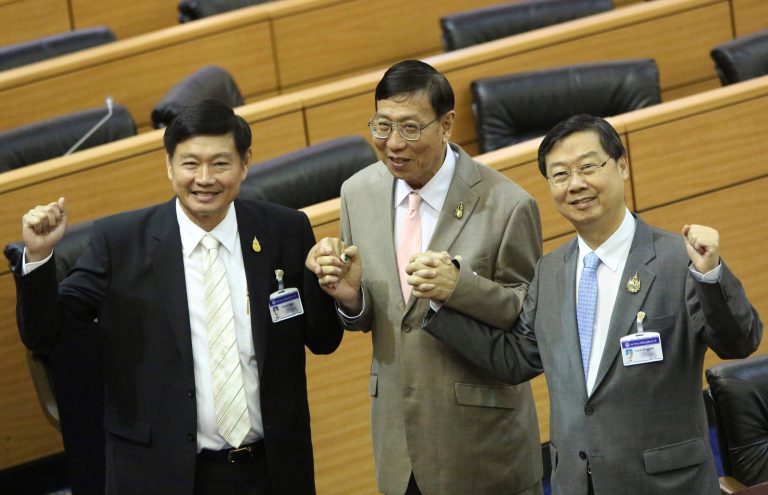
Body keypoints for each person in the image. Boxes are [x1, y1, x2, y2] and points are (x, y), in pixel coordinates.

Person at [14, 100, 343, 495]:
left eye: (220, 164)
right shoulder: (119, 242)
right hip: (161, 473)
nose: (204, 179)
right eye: (190, 164)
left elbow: (324, 340)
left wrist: (335, 288)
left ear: (245, 163)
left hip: (272, 471)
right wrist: (38, 258)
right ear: (169, 165)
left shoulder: (284, 231)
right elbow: (44, 334)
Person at [422, 114, 763, 494]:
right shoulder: (550, 271)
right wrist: (442, 303)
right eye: (561, 174)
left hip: (667, 483)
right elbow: (516, 358)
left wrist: (711, 276)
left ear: (621, 166)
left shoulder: (678, 260)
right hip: (576, 482)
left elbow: (741, 341)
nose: (576, 184)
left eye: (588, 167)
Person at [306, 60, 544, 495]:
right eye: (382, 126)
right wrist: (350, 297)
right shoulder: (357, 193)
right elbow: (377, 318)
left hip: (483, 446)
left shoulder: (508, 204)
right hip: (399, 446)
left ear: (447, 124)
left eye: (411, 129)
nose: (393, 144)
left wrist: (461, 288)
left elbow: (527, 314)